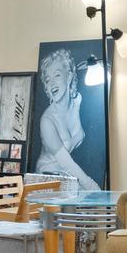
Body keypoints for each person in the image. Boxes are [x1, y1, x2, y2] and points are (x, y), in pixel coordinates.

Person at [33, 49, 98, 194]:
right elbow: (67, 163)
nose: (52, 83)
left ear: (69, 77)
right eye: (48, 79)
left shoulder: (77, 101)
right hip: (47, 179)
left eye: (57, 75)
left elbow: (82, 134)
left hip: (68, 176)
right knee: (90, 199)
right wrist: (92, 186)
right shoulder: (47, 121)